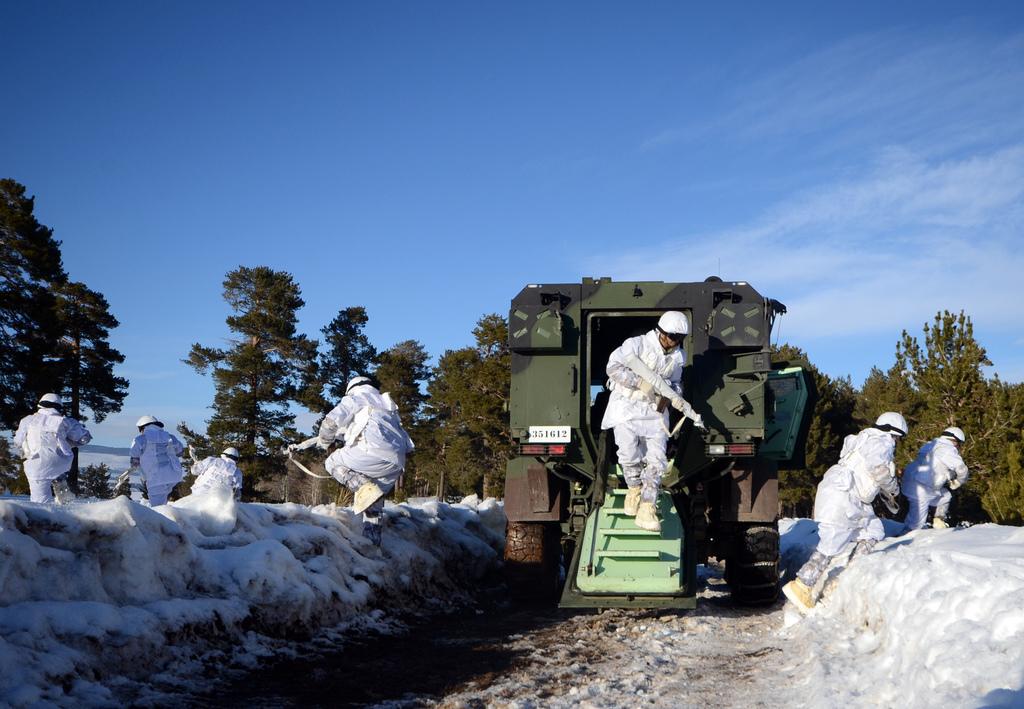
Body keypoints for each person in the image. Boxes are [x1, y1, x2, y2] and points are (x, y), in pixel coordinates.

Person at [783, 412, 908, 612]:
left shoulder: (863, 439)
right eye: (898, 438)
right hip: (844, 496)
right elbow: (879, 470)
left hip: (851, 497)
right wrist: (893, 488)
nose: (897, 442)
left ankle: (848, 577)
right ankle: (802, 586)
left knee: (872, 530)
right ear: (893, 433)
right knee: (833, 541)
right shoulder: (880, 442)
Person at [600, 311, 704, 533]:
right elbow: (613, 368)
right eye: (672, 336)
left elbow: (677, 385)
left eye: (679, 338)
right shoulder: (635, 345)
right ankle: (634, 489)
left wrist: (667, 394)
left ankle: (647, 507)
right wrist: (640, 383)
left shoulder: (678, 357)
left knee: (657, 461)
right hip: (627, 407)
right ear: (661, 332)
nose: (675, 341)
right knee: (628, 455)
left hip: (655, 412)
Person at [314, 376, 414, 545]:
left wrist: (324, 442)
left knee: (331, 463)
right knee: (373, 502)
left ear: (351, 388)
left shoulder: (357, 397)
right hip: (397, 462)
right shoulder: (387, 405)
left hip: (372, 451)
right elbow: (408, 444)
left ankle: (362, 486)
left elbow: (331, 421)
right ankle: (372, 542)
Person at [12, 393, 92, 504]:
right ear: (58, 406)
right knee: (58, 475)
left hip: (37, 464)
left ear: (40, 405)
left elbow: (17, 442)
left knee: (40, 501)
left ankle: (46, 516)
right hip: (60, 462)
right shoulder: (65, 421)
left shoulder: (27, 420)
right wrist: (70, 442)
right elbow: (84, 438)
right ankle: (64, 497)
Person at [902, 427, 969, 530]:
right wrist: (959, 481)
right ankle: (904, 543)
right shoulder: (947, 449)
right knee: (916, 524)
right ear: (954, 440)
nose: (959, 447)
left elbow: (937, 466)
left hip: (913, 482)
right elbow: (962, 469)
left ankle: (939, 520)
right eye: (959, 443)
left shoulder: (930, 445)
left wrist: (948, 475)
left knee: (945, 496)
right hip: (922, 487)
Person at [129, 415, 185, 506]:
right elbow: (180, 452)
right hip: (174, 476)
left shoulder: (140, 440)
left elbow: (134, 459)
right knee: (169, 504)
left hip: (155, 478)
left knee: (158, 508)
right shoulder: (170, 437)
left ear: (143, 427)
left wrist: (137, 467)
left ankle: (162, 520)